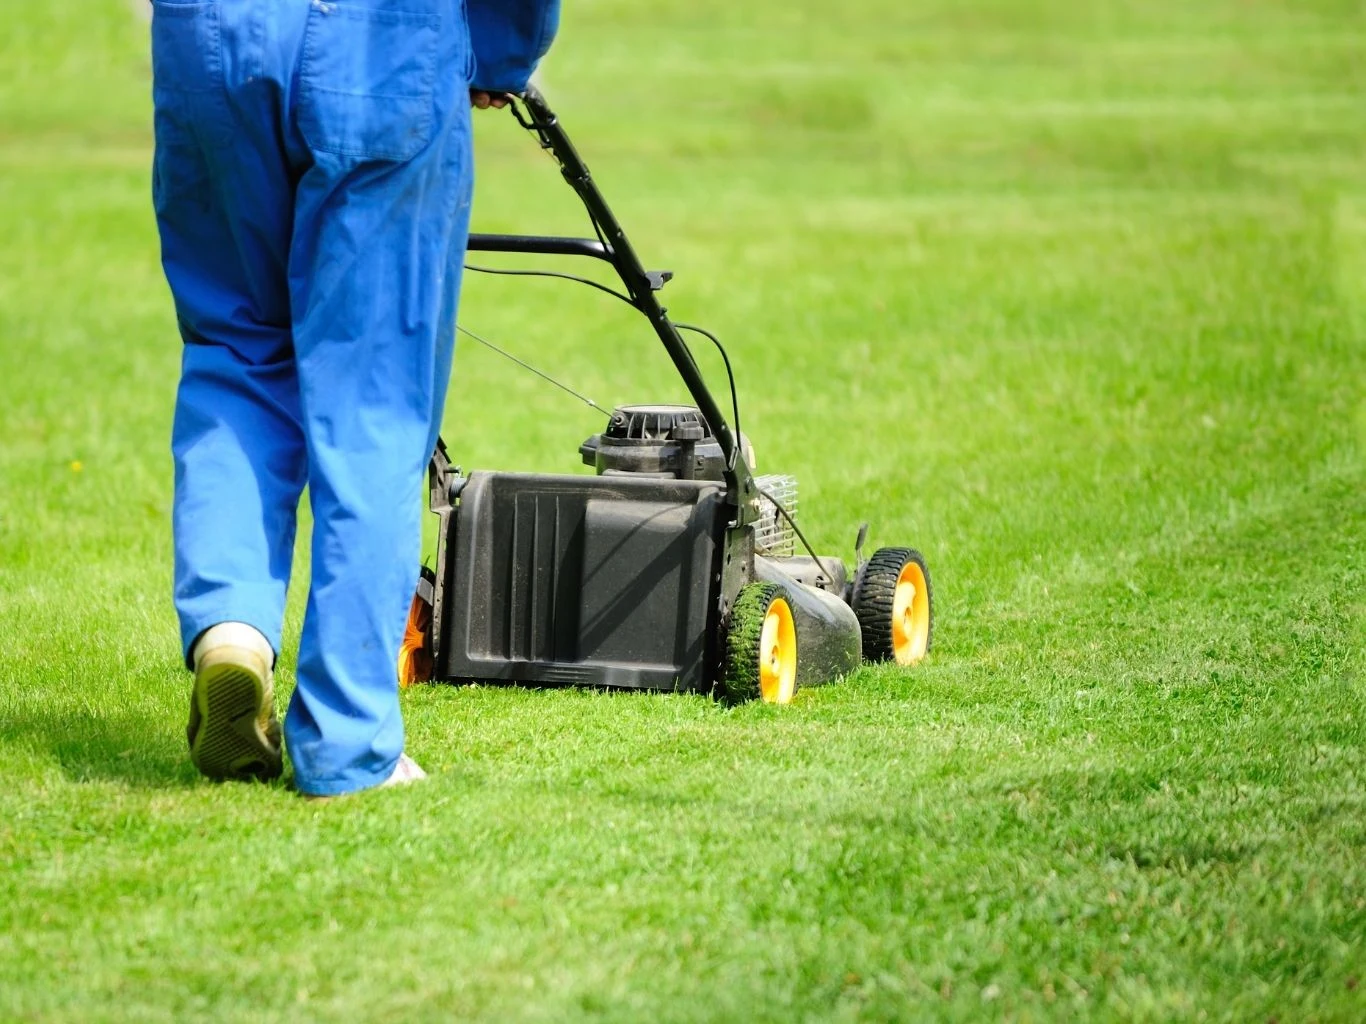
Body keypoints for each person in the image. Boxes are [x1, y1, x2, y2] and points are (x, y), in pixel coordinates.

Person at [150, 0, 560, 796]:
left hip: (210, 40)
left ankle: (231, 633)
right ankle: (346, 743)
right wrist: (502, 53)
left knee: (234, 349)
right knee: (372, 402)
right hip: (381, 44)